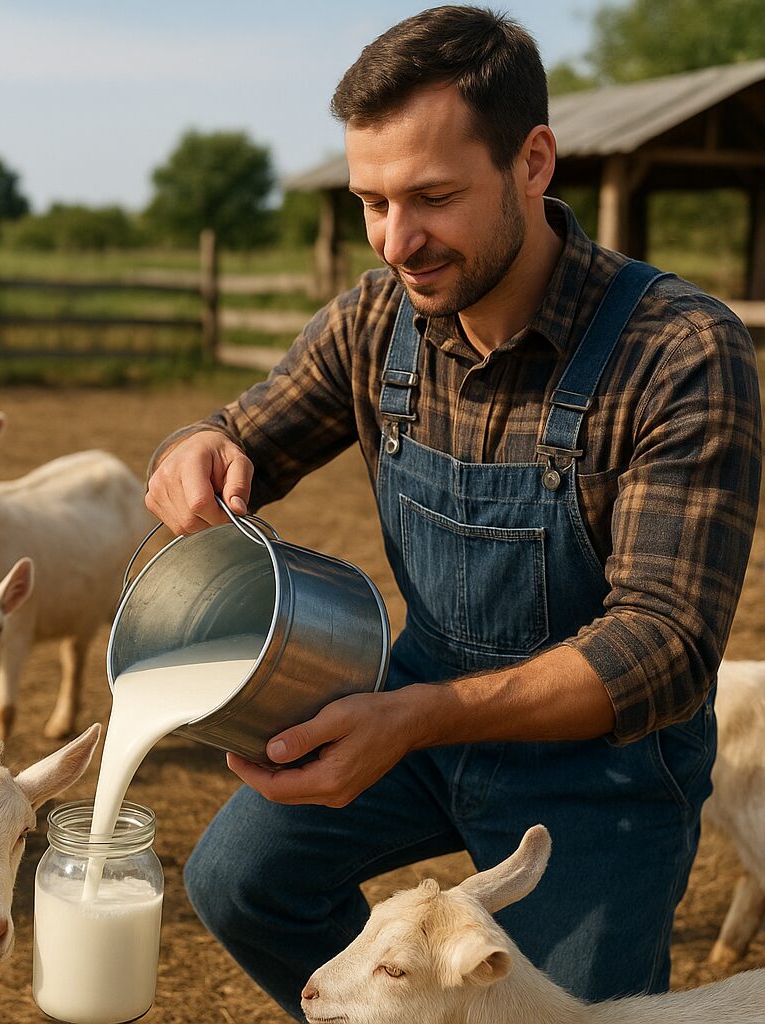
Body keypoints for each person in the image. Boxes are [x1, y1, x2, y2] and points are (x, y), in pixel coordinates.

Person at [145, 6, 762, 1020]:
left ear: (533, 161)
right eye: (371, 201)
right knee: (236, 882)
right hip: (415, 714)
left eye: (432, 196)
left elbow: (662, 647)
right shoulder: (375, 318)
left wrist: (410, 717)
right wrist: (191, 450)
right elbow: (234, 432)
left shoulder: (680, 352)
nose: (397, 241)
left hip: (596, 779)